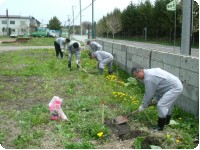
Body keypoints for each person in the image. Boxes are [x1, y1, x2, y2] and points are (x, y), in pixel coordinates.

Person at [131, 64, 183, 131]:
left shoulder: (149, 78)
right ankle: (166, 123)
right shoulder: (149, 73)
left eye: (136, 76)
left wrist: (143, 105)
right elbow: (157, 88)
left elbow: (149, 93)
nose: (137, 78)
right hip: (173, 86)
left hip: (175, 87)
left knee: (161, 105)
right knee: (167, 105)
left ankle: (160, 127)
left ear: (140, 71)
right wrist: (156, 98)